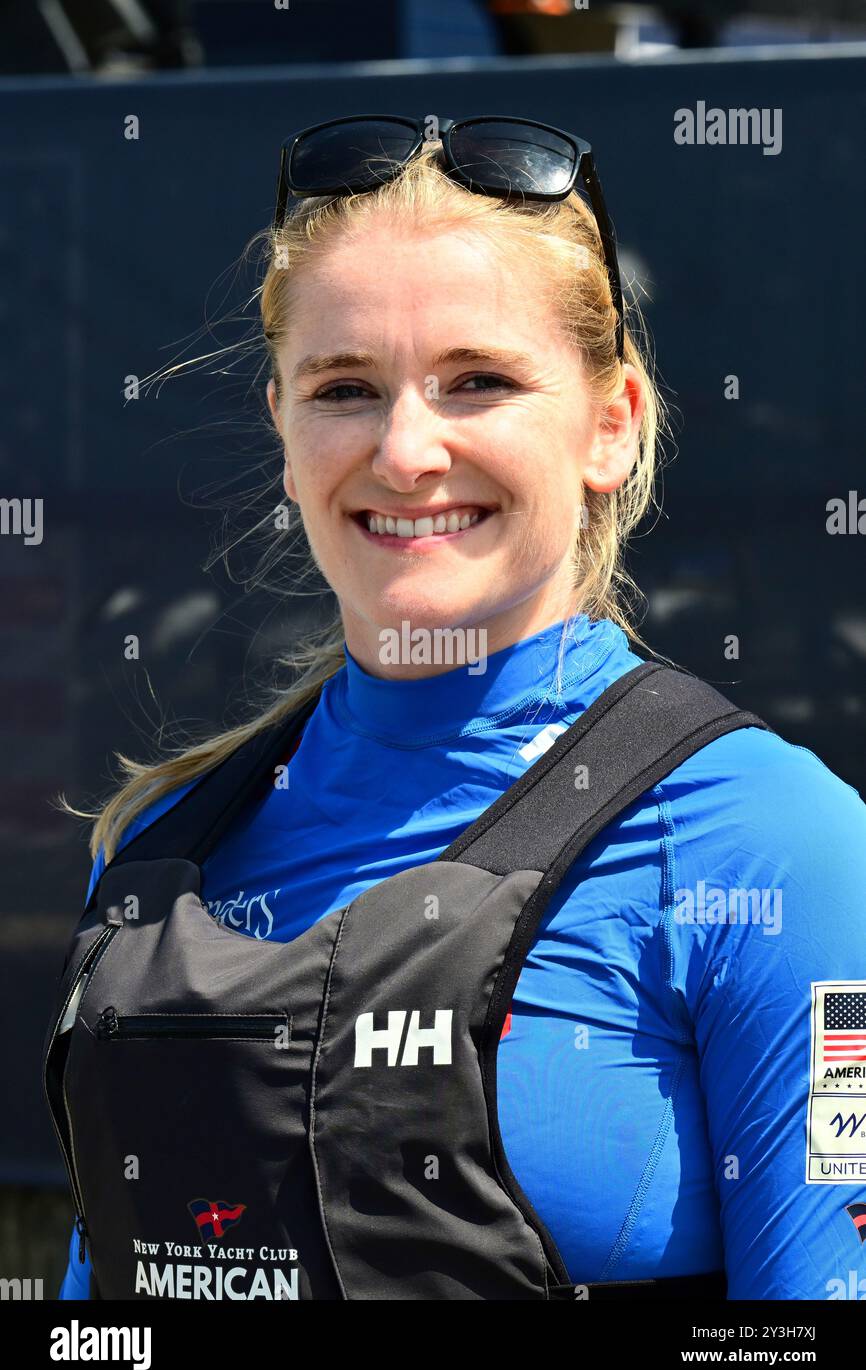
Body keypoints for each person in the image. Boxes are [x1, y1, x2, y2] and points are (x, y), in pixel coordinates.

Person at [51, 115, 866, 1301]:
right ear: (282, 431)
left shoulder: (777, 841)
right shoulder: (159, 851)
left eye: (476, 381)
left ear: (609, 423)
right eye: (345, 388)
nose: (406, 450)